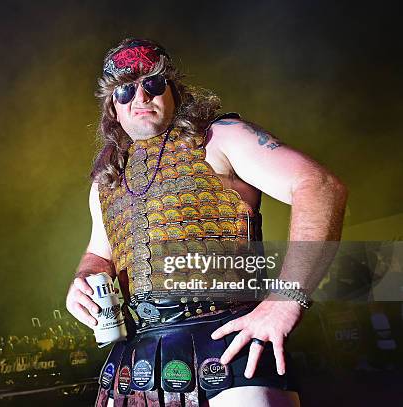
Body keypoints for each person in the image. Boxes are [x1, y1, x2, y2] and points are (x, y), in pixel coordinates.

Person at [65, 38, 347, 407]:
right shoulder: (108, 179)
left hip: (231, 346)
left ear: (173, 91)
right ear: (112, 108)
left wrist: (286, 299)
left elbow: (320, 187)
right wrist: (82, 279)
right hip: (138, 360)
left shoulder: (220, 137)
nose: (141, 96)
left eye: (152, 83)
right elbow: (98, 254)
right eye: (125, 90)